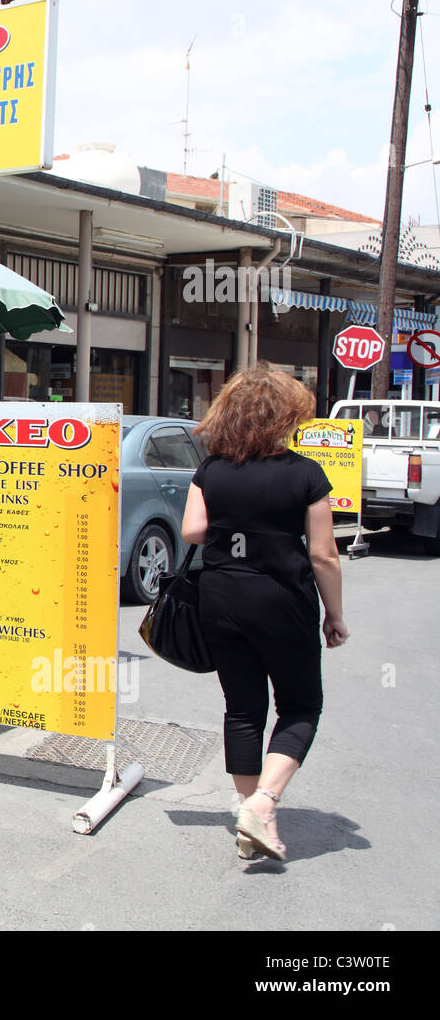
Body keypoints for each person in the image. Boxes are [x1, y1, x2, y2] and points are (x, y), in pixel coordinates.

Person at [180, 363, 350, 863]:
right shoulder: (306, 474)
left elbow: (193, 530)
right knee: (300, 706)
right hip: (282, 599)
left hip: (220, 596)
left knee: (243, 707)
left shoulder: (211, 468)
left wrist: (236, 529)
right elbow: (323, 555)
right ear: (286, 417)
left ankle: (246, 809)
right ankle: (265, 802)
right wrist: (334, 614)